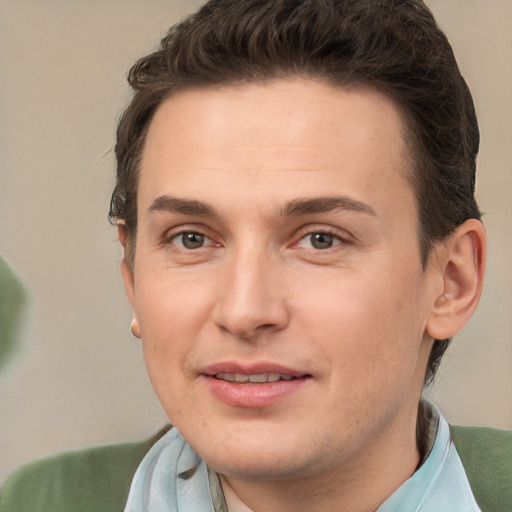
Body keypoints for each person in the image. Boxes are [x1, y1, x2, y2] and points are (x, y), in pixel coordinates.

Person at [1, 0, 511, 510]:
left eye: (321, 239)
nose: (244, 311)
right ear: (133, 277)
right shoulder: (40, 500)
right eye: (191, 239)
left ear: (451, 281)